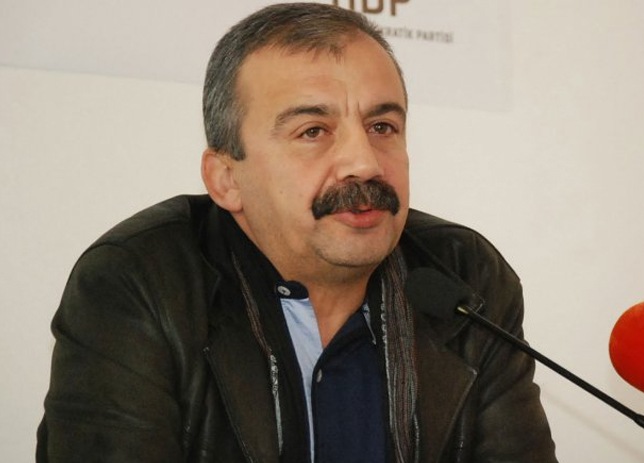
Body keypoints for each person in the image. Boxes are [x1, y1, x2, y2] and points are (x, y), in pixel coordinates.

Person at [36, 3, 557, 462]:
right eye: (313, 131)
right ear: (226, 179)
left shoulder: (465, 278)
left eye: (382, 127)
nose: (364, 163)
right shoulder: (139, 283)